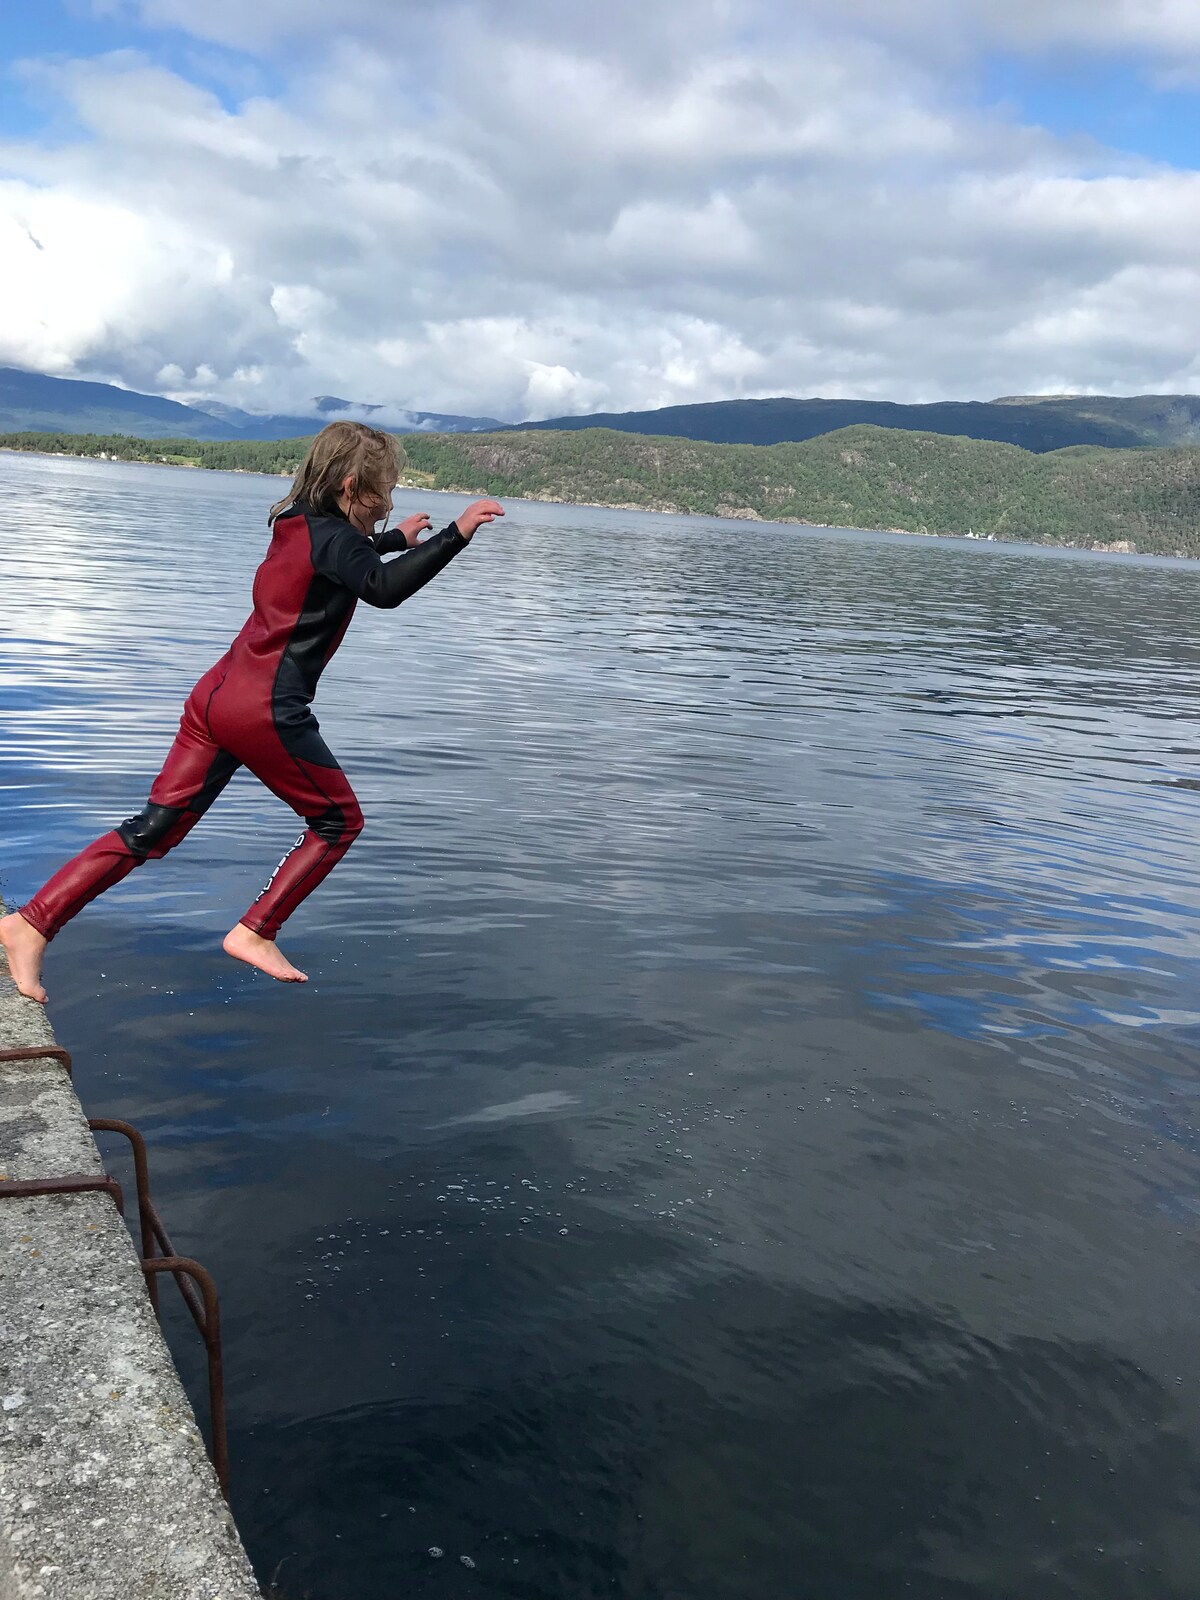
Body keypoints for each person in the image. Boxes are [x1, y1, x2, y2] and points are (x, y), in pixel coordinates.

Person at [0, 421, 503, 1001]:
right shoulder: (338, 541)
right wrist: (454, 535)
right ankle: (255, 931)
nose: (390, 502)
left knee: (152, 830)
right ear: (348, 487)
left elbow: (339, 563)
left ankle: (31, 923)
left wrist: (392, 542)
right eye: (383, 490)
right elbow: (381, 590)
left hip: (215, 696)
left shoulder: (292, 524)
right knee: (339, 822)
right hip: (265, 708)